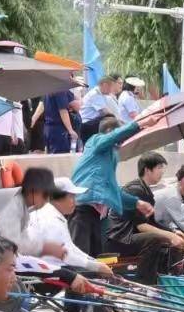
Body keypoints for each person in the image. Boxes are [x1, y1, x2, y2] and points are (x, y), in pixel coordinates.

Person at [67, 108, 159, 258]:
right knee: (80, 256)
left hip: (98, 214)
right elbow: (112, 138)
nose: (121, 143)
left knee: (96, 258)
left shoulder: (110, 157)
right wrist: (140, 124)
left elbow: (113, 189)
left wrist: (136, 203)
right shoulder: (95, 141)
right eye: (119, 136)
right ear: (110, 132)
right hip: (83, 207)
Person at [112, 147, 184, 283]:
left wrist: (174, 232)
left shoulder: (145, 190)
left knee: (171, 239)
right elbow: (142, 226)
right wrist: (170, 236)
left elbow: (151, 223)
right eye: (159, 167)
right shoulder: (135, 190)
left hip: (132, 236)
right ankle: (144, 283)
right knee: (154, 239)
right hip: (120, 238)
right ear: (147, 170)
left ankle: (166, 278)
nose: (162, 171)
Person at [28, 177, 116, 276]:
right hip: (45, 273)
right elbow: (66, 255)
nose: (75, 201)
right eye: (71, 197)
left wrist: (94, 262)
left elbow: (71, 247)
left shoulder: (52, 214)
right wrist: (96, 267)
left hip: (50, 268)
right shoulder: (51, 220)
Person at [78, 75, 119, 143]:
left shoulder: (102, 94)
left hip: (92, 123)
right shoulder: (95, 94)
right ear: (105, 85)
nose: (112, 90)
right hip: (87, 124)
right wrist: (117, 121)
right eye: (111, 87)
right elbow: (105, 112)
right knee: (109, 119)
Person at [38, 86, 79, 154]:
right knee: (60, 158)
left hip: (50, 128)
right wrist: (70, 130)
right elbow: (62, 110)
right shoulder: (60, 90)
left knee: (53, 156)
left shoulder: (49, 89)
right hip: (58, 129)